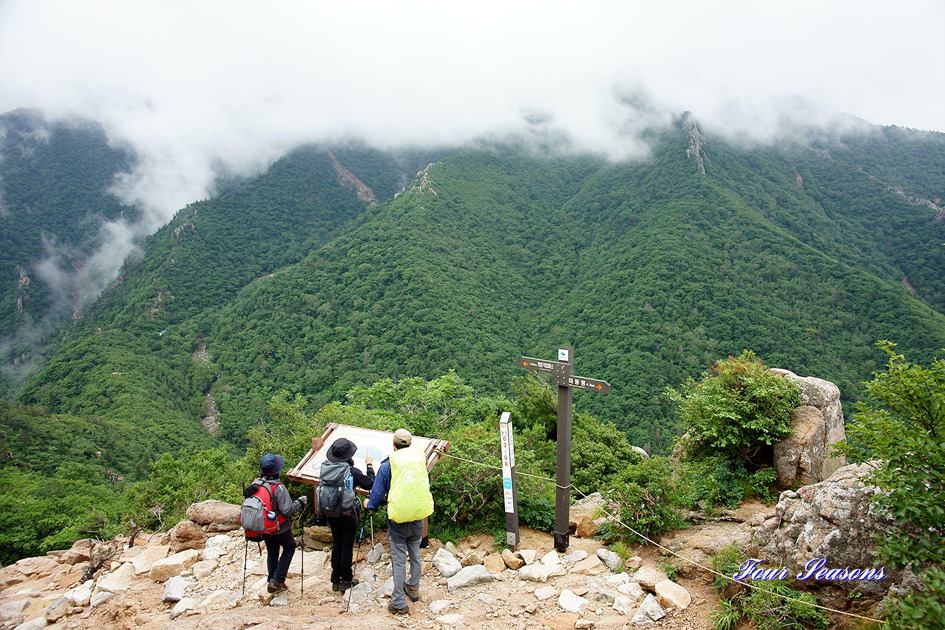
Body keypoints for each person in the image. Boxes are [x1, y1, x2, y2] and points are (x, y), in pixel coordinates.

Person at [365, 428, 434, 615]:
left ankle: (398, 601)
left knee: (398, 560)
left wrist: (370, 504)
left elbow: (377, 493)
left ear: (393, 445)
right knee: (415, 553)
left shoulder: (388, 465)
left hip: (398, 518)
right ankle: (413, 588)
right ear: (410, 444)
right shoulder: (418, 460)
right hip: (417, 514)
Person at [322, 437, 375, 592]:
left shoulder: (326, 468)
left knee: (337, 544)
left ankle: (335, 579)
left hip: (331, 512)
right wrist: (369, 465)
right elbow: (370, 483)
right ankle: (346, 579)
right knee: (346, 546)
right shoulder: (351, 472)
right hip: (347, 514)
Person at [256, 453, 307, 593]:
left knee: (272, 550)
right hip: (279, 527)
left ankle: (271, 578)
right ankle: (278, 580)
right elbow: (287, 510)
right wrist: (300, 502)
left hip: (263, 527)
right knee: (289, 546)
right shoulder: (278, 487)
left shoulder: (257, 484)